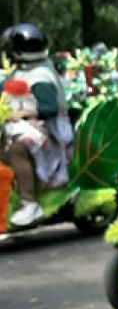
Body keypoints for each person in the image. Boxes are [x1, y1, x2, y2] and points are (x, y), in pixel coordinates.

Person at [0, 23, 73, 226]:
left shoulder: (40, 75)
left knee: (17, 149)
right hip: (24, 127)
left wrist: (23, 113)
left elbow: (49, 109)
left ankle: (29, 203)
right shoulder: (22, 71)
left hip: (50, 131)